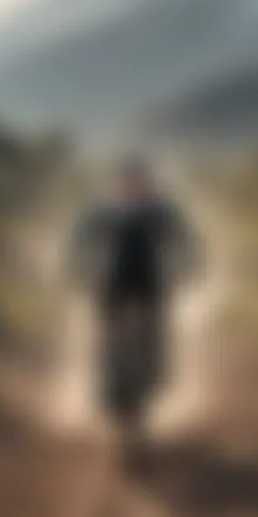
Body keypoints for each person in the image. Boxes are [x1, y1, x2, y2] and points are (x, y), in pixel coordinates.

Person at [70, 153, 200, 432]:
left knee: (154, 337)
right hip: (112, 283)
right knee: (107, 336)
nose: (133, 186)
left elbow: (186, 240)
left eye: (139, 180)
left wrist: (187, 267)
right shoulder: (104, 209)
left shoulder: (161, 210)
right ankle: (106, 384)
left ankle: (154, 380)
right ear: (118, 182)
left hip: (150, 283)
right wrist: (77, 269)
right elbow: (79, 241)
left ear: (148, 182)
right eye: (128, 180)